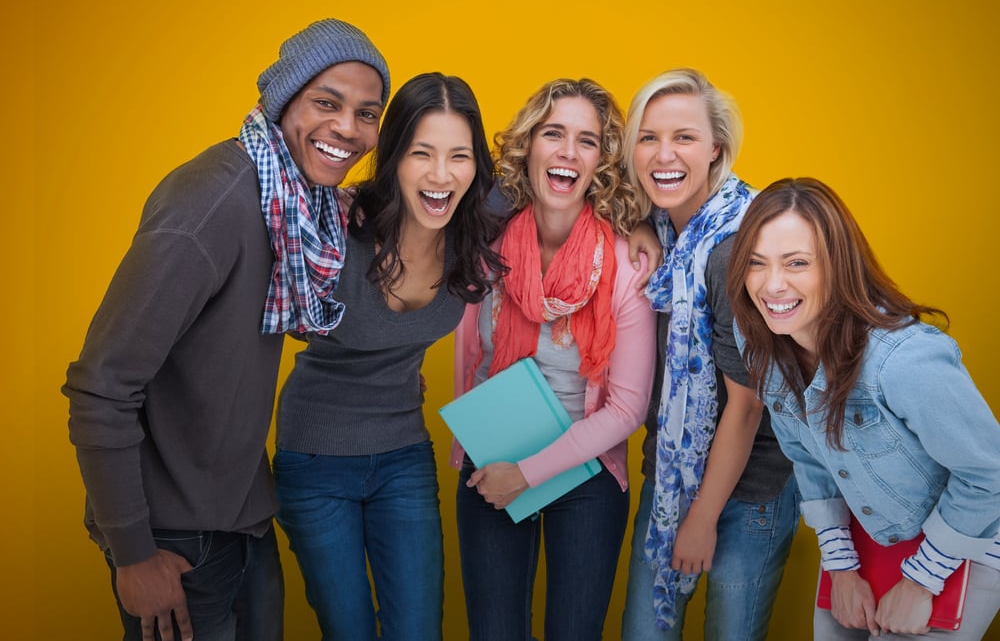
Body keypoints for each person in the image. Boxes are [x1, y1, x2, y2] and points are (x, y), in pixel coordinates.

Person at [62, 18, 390, 641]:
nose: (348, 129)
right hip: (171, 538)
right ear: (282, 99)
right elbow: (101, 387)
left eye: (366, 113)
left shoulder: (298, 204)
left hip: (241, 519)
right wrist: (133, 553)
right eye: (327, 102)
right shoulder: (212, 204)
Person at [272, 72, 506, 641]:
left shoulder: (477, 223)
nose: (440, 174)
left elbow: (570, 194)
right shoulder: (336, 223)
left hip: (403, 454)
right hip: (315, 458)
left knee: (418, 629)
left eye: (459, 155)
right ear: (393, 156)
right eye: (421, 153)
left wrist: (642, 234)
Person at [726, 177, 1000, 640]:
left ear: (837, 266)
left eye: (797, 263)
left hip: (965, 543)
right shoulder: (761, 339)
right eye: (756, 263)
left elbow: (989, 474)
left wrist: (921, 581)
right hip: (867, 540)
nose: (772, 285)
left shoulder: (904, 360)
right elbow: (807, 455)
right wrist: (841, 568)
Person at [450, 77, 656, 641]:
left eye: (586, 141)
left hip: (587, 473)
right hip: (495, 459)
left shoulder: (626, 262)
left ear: (601, 163)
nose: (567, 151)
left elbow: (628, 408)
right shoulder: (483, 245)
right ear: (529, 146)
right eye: (553, 133)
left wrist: (530, 473)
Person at [620, 68, 799, 640]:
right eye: (648, 137)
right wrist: (636, 227)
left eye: (684, 137)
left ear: (716, 148)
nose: (663, 154)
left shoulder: (735, 250)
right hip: (670, 472)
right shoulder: (660, 231)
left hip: (752, 485)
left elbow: (747, 406)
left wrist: (700, 519)